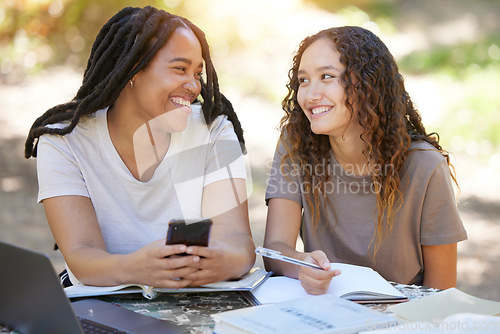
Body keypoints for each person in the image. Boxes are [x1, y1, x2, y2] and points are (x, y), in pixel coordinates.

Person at [24, 6, 255, 289]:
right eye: (180, 69)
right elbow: (81, 255)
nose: (194, 86)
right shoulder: (64, 140)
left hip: (192, 303)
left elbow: (239, 244)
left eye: (197, 73)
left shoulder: (214, 130)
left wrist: (221, 262)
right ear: (131, 68)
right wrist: (136, 269)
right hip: (101, 304)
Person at [264, 26, 467, 294]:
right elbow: (275, 249)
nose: (311, 94)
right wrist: (301, 264)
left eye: (327, 77)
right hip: (324, 309)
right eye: (303, 80)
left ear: (369, 85)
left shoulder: (425, 167)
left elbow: (441, 292)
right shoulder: (298, 144)